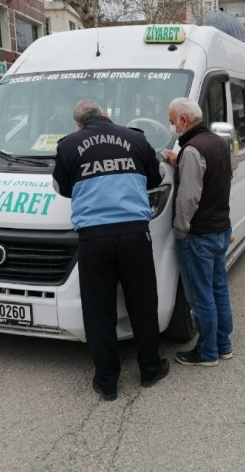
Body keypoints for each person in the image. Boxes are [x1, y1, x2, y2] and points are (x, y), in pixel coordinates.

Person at [52, 100, 169, 401]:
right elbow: (155, 178)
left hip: (93, 238)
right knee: (143, 304)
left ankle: (107, 382)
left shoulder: (68, 145)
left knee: (98, 311)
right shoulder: (136, 138)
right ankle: (150, 370)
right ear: (106, 115)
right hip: (134, 234)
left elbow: (63, 188)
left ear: (79, 124)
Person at [165, 97, 234, 367]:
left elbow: (188, 199)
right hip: (220, 230)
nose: (171, 126)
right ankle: (223, 345)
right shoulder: (216, 143)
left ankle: (207, 352)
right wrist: (180, 160)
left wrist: (180, 230)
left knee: (201, 296)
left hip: (199, 235)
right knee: (219, 290)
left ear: (183, 121)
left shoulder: (193, 151)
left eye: (172, 122)